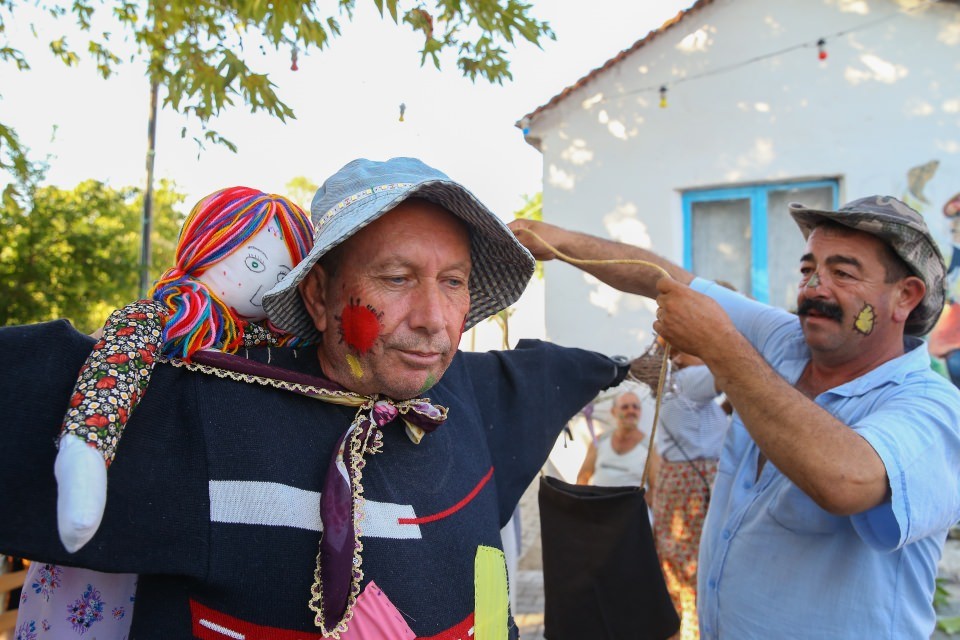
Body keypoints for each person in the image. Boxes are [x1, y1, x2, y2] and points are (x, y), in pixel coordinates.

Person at [0, 157, 633, 639]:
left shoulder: (475, 395)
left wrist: (632, 365)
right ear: (318, 295)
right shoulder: (201, 406)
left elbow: (561, 369)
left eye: (454, 282)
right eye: (396, 278)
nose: (435, 319)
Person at [510, 195, 960, 639]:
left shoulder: (933, 408)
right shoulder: (786, 340)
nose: (813, 288)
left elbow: (845, 481)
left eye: (842, 272)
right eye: (808, 269)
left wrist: (721, 346)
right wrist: (553, 240)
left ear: (905, 296)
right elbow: (663, 279)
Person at [15, 186, 313, 640]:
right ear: (207, 246)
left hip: (201, 525)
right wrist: (86, 452)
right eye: (252, 264)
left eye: (281, 275)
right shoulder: (163, 321)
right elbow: (113, 370)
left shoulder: (276, 351)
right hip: (126, 501)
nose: (264, 285)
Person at [650, 349, 729, 640]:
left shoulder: (679, 387)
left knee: (679, 569)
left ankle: (682, 630)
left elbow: (703, 425)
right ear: (680, 356)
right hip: (695, 486)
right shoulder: (687, 378)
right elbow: (730, 374)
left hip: (683, 483)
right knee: (696, 568)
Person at [576, 390, 649, 487]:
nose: (631, 411)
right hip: (597, 501)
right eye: (625, 407)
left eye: (635, 407)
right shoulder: (599, 441)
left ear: (640, 412)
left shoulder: (649, 447)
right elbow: (583, 477)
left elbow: (655, 489)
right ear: (613, 411)